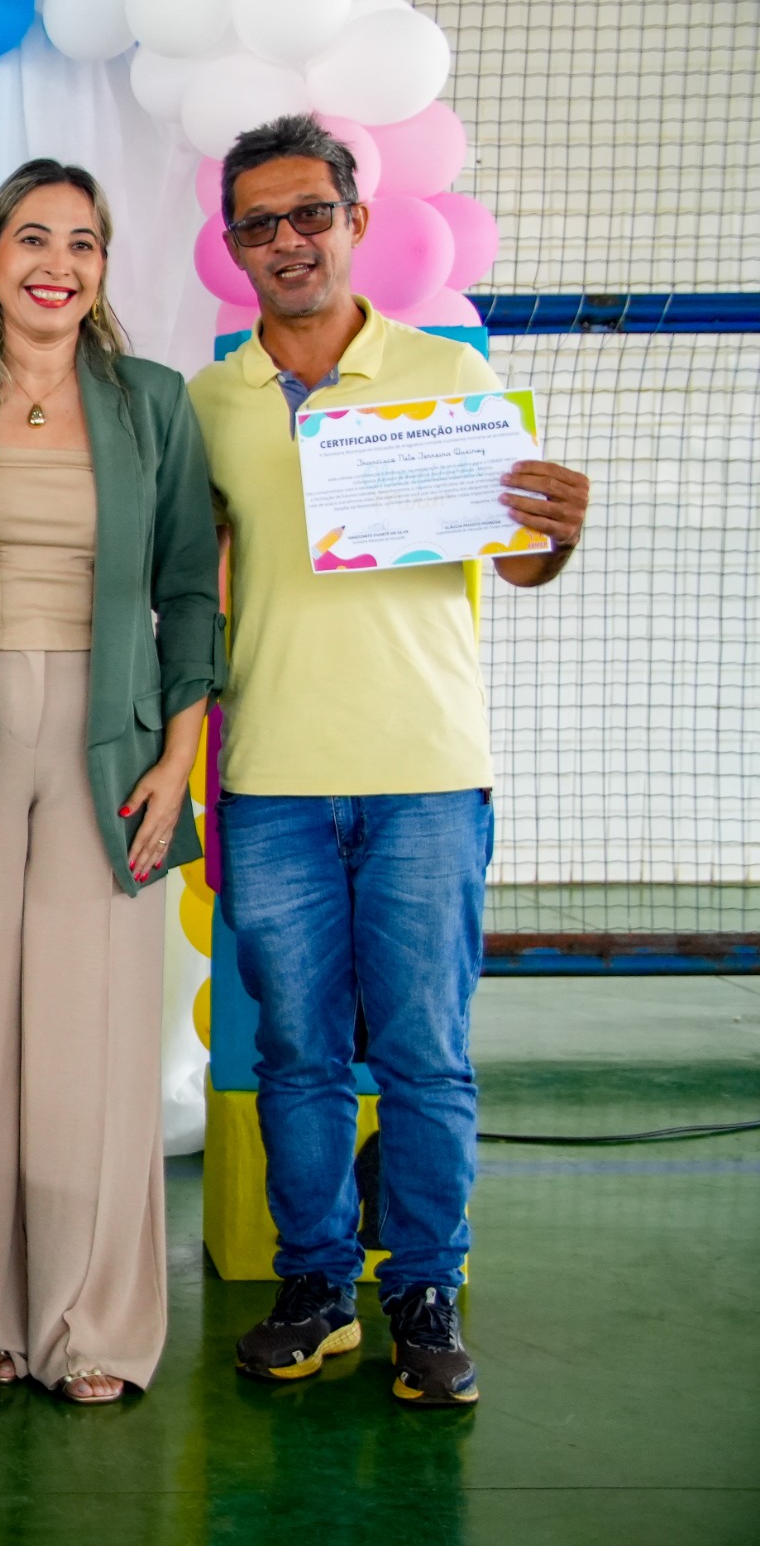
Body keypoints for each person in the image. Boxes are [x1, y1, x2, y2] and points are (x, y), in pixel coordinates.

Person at [198, 114, 590, 1409]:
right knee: (300, 1052)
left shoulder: (449, 375)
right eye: (261, 221)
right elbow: (183, 582)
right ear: (235, 245)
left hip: (427, 770)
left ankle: (426, 1288)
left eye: (310, 212)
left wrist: (556, 534)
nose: (288, 239)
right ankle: (317, 1286)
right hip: (271, 780)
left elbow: (515, 559)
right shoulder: (209, 400)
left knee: (424, 1052)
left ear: (356, 221)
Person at [0, 159, 220, 1403]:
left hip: (113, 747)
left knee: (92, 1040)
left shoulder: (152, 404)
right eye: (34, 237)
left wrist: (180, 760)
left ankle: (89, 1324)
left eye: (84, 243)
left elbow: (189, 588)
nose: (57, 263)